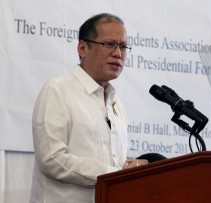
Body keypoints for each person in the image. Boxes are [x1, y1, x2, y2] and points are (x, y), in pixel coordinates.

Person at [29, 13, 149, 203]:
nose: (118, 53)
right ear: (83, 48)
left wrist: (128, 168)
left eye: (123, 46)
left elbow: (111, 162)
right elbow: (52, 160)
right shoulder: (58, 90)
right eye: (110, 44)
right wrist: (115, 174)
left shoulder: (116, 104)